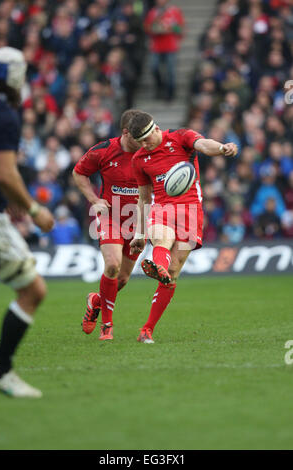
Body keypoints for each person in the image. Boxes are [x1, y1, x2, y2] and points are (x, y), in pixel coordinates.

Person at [129, 111, 238, 343]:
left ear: (156, 129)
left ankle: (147, 328)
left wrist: (221, 148)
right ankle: (158, 266)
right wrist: (139, 233)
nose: (145, 145)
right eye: (140, 142)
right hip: (162, 208)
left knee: (174, 271)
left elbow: (204, 144)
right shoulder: (139, 159)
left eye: (147, 139)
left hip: (190, 211)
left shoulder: (180, 137)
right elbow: (144, 198)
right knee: (162, 239)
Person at [0, 47, 54, 397]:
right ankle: (2, 371)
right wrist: (32, 209)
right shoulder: (3, 114)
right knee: (33, 290)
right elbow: (3, 172)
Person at [73, 109, 142, 341]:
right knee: (112, 265)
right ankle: (107, 325)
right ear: (125, 133)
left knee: (121, 280)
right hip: (110, 216)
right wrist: (94, 199)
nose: (143, 140)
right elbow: (79, 172)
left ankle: (96, 301)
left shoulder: (149, 152)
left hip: (137, 220)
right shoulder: (103, 151)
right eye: (138, 136)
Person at [144, 0, 185, 101]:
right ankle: (160, 86)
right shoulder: (153, 12)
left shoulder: (174, 11)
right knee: (154, 68)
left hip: (170, 46)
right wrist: (155, 29)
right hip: (157, 46)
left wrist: (170, 28)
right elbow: (147, 28)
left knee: (170, 71)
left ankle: (170, 92)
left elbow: (180, 29)